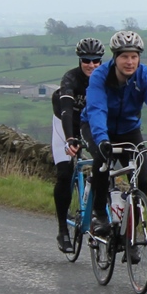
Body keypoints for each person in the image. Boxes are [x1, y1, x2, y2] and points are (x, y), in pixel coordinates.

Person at [83, 30, 147, 237]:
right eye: (124, 56)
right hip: (97, 127)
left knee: (141, 177)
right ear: (115, 57)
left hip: (129, 130)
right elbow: (97, 110)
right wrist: (102, 140)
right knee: (101, 163)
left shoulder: (145, 76)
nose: (130, 62)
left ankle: (132, 233)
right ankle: (99, 213)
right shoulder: (100, 76)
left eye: (134, 56)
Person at [52, 37, 104, 252]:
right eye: (86, 60)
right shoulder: (71, 79)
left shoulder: (105, 78)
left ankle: (99, 218)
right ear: (79, 60)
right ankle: (63, 229)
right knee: (64, 172)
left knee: (103, 164)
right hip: (65, 121)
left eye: (95, 61)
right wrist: (70, 138)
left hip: (89, 122)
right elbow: (65, 110)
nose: (91, 65)